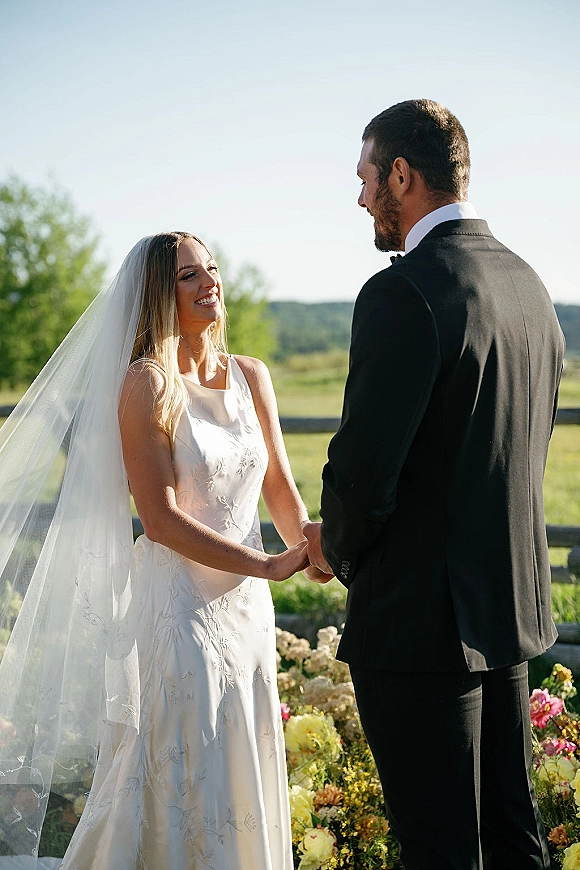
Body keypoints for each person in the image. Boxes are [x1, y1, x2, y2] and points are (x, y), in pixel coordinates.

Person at [0, 232, 325, 869]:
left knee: (239, 761)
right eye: (188, 276)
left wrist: (308, 549)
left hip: (247, 616)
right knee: (182, 767)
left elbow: (280, 488)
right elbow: (159, 519)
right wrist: (263, 564)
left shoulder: (252, 377)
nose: (210, 283)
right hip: (178, 612)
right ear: (158, 294)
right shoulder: (145, 384)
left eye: (211, 269)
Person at [302, 99, 565, 869]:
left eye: (365, 178)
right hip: (510, 610)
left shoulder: (402, 291)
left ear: (402, 175)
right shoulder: (528, 285)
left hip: (419, 627)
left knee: (439, 848)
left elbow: (361, 475)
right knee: (513, 839)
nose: (359, 198)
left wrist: (336, 552)